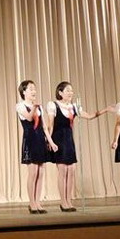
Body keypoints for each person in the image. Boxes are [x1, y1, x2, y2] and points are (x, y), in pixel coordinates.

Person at [45, 81, 108, 212]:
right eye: (67, 90)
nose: (70, 93)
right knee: (63, 171)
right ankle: (63, 202)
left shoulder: (74, 107)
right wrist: (49, 141)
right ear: (60, 92)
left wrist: (105, 110)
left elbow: (89, 116)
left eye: (71, 90)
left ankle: (69, 200)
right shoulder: (53, 105)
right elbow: (50, 125)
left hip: (69, 140)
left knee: (71, 171)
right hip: (58, 140)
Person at [16, 80, 58, 214]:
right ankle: (32, 203)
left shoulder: (39, 108)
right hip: (30, 140)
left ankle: (38, 202)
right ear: (24, 92)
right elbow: (29, 118)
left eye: (34, 89)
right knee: (33, 172)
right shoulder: (20, 106)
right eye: (30, 89)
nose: (34, 91)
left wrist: (51, 142)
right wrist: (34, 107)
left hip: (40, 140)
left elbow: (44, 127)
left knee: (40, 172)